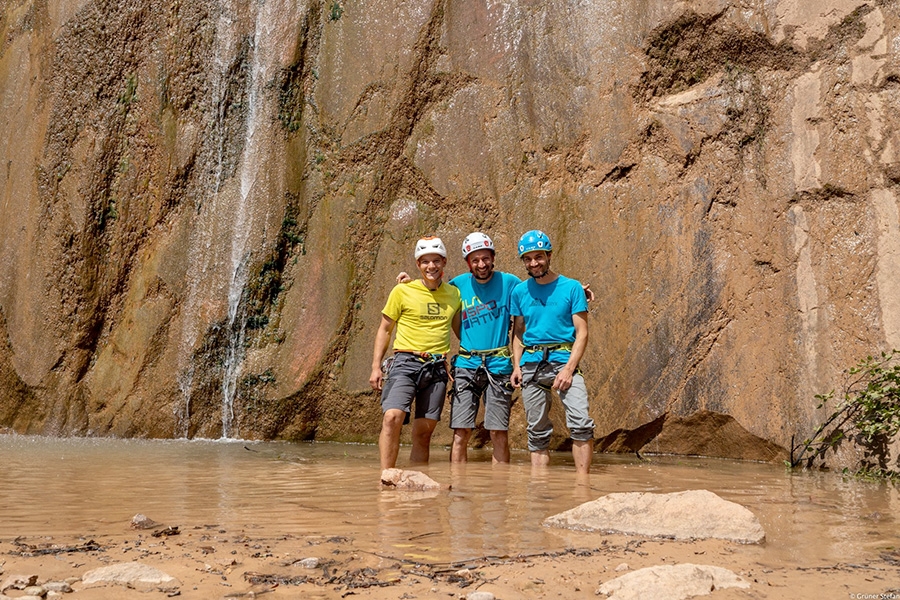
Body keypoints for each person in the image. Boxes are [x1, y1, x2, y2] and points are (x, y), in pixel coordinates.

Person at [370, 236, 461, 471]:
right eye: (425, 262)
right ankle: (386, 477)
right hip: (405, 362)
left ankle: (417, 483)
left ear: (444, 262)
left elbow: (462, 329)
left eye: (436, 261)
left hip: (436, 367)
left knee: (424, 432)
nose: (431, 266)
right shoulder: (402, 292)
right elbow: (385, 329)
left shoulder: (454, 294)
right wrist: (375, 366)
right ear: (418, 265)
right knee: (392, 418)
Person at [510, 230, 595, 474]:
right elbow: (518, 331)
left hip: (563, 362)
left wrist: (568, 370)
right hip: (531, 365)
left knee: (581, 424)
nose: (534, 263)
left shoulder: (571, 288)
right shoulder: (520, 291)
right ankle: (539, 489)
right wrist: (517, 366)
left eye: (539, 257)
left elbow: (582, 332)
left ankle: (582, 486)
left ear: (549, 255)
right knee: (536, 432)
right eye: (527, 258)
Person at [448, 232, 522, 464]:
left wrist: (574, 289)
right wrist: (408, 283)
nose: (481, 264)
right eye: (475, 260)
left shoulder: (509, 282)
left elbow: (539, 289)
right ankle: (457, 492)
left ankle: (498, 495)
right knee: (461, 432)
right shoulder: (457, 285)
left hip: (499, 366)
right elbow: (430, 291)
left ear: (493, 257)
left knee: (499, 433)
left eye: (485, 258)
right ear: (468, 262)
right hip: (466, 365)